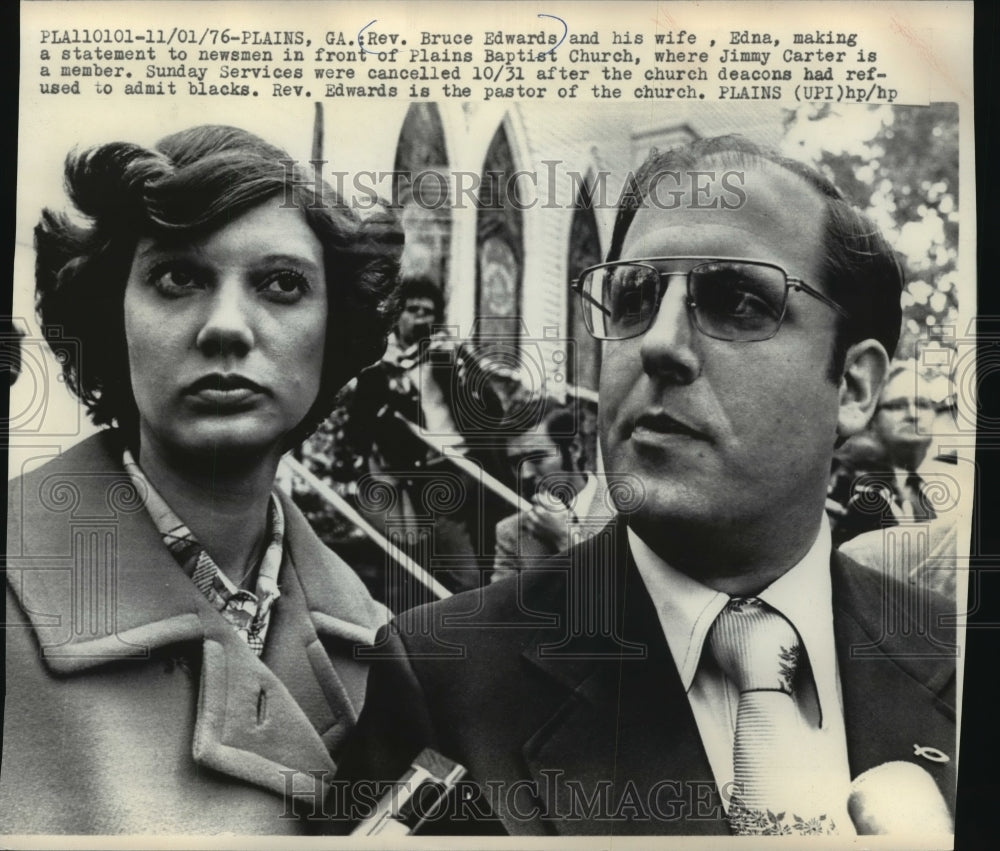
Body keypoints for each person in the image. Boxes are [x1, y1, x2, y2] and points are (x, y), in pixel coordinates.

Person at [330, 136, 957, 837]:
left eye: (739, 301)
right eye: (634, 297)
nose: (658, 342)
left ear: (856, 385)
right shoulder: (445, 682)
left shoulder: (950, 656)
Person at [2, 125, 403, 834]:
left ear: (332, 334)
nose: (226, 328)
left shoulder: (386, 651)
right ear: (109, 317)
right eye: (177, 278)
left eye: (281, 284)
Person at [343, 276, 508, 594]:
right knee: (445, 570)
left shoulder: (450, 354)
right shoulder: (380, 368)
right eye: (412, 310)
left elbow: (493, 407)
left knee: (482, 554)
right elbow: (358, 432)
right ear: (397, 316)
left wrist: (458, 368)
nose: (421, 319)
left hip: (469, 466)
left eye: (428, 312)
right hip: (423, 476)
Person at [492, 404, 613, 582]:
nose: (526, 473)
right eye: (515, 462)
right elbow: (502, 608)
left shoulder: (627, 511)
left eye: (538, 458)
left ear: (574, 449)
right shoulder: (510, 532)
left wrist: (565, 538)